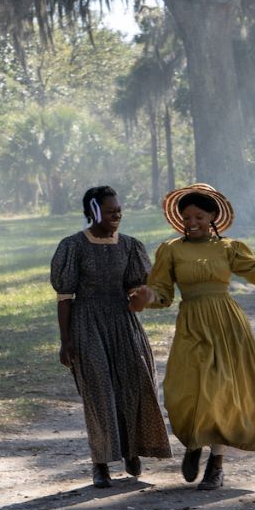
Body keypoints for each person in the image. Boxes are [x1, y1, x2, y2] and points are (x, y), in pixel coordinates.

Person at [129, 183, 255, 490]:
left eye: (199, 217)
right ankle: (194, 442)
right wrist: (146, 296)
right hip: (192, 323)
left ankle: (216, 465)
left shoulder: (228, 248)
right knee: (186, 388)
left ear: (213, 218)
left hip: (228, 324)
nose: (192, 223)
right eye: (186, 217)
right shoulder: (170, 250)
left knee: (224, 392)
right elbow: (164, 292)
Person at [50, 186, 172, 488]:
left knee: (135, 385)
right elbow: (65, 298)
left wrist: (141, 298)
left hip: (123, 322)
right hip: (87, 322)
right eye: (110, 210)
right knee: (99, 392)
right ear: (92, 212)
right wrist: (66, 341)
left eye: (119, 209)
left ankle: (132, 450)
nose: (117, 214)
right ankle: (101, 463)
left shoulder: (130, 246)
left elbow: (135, 291)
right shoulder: (73, 246)